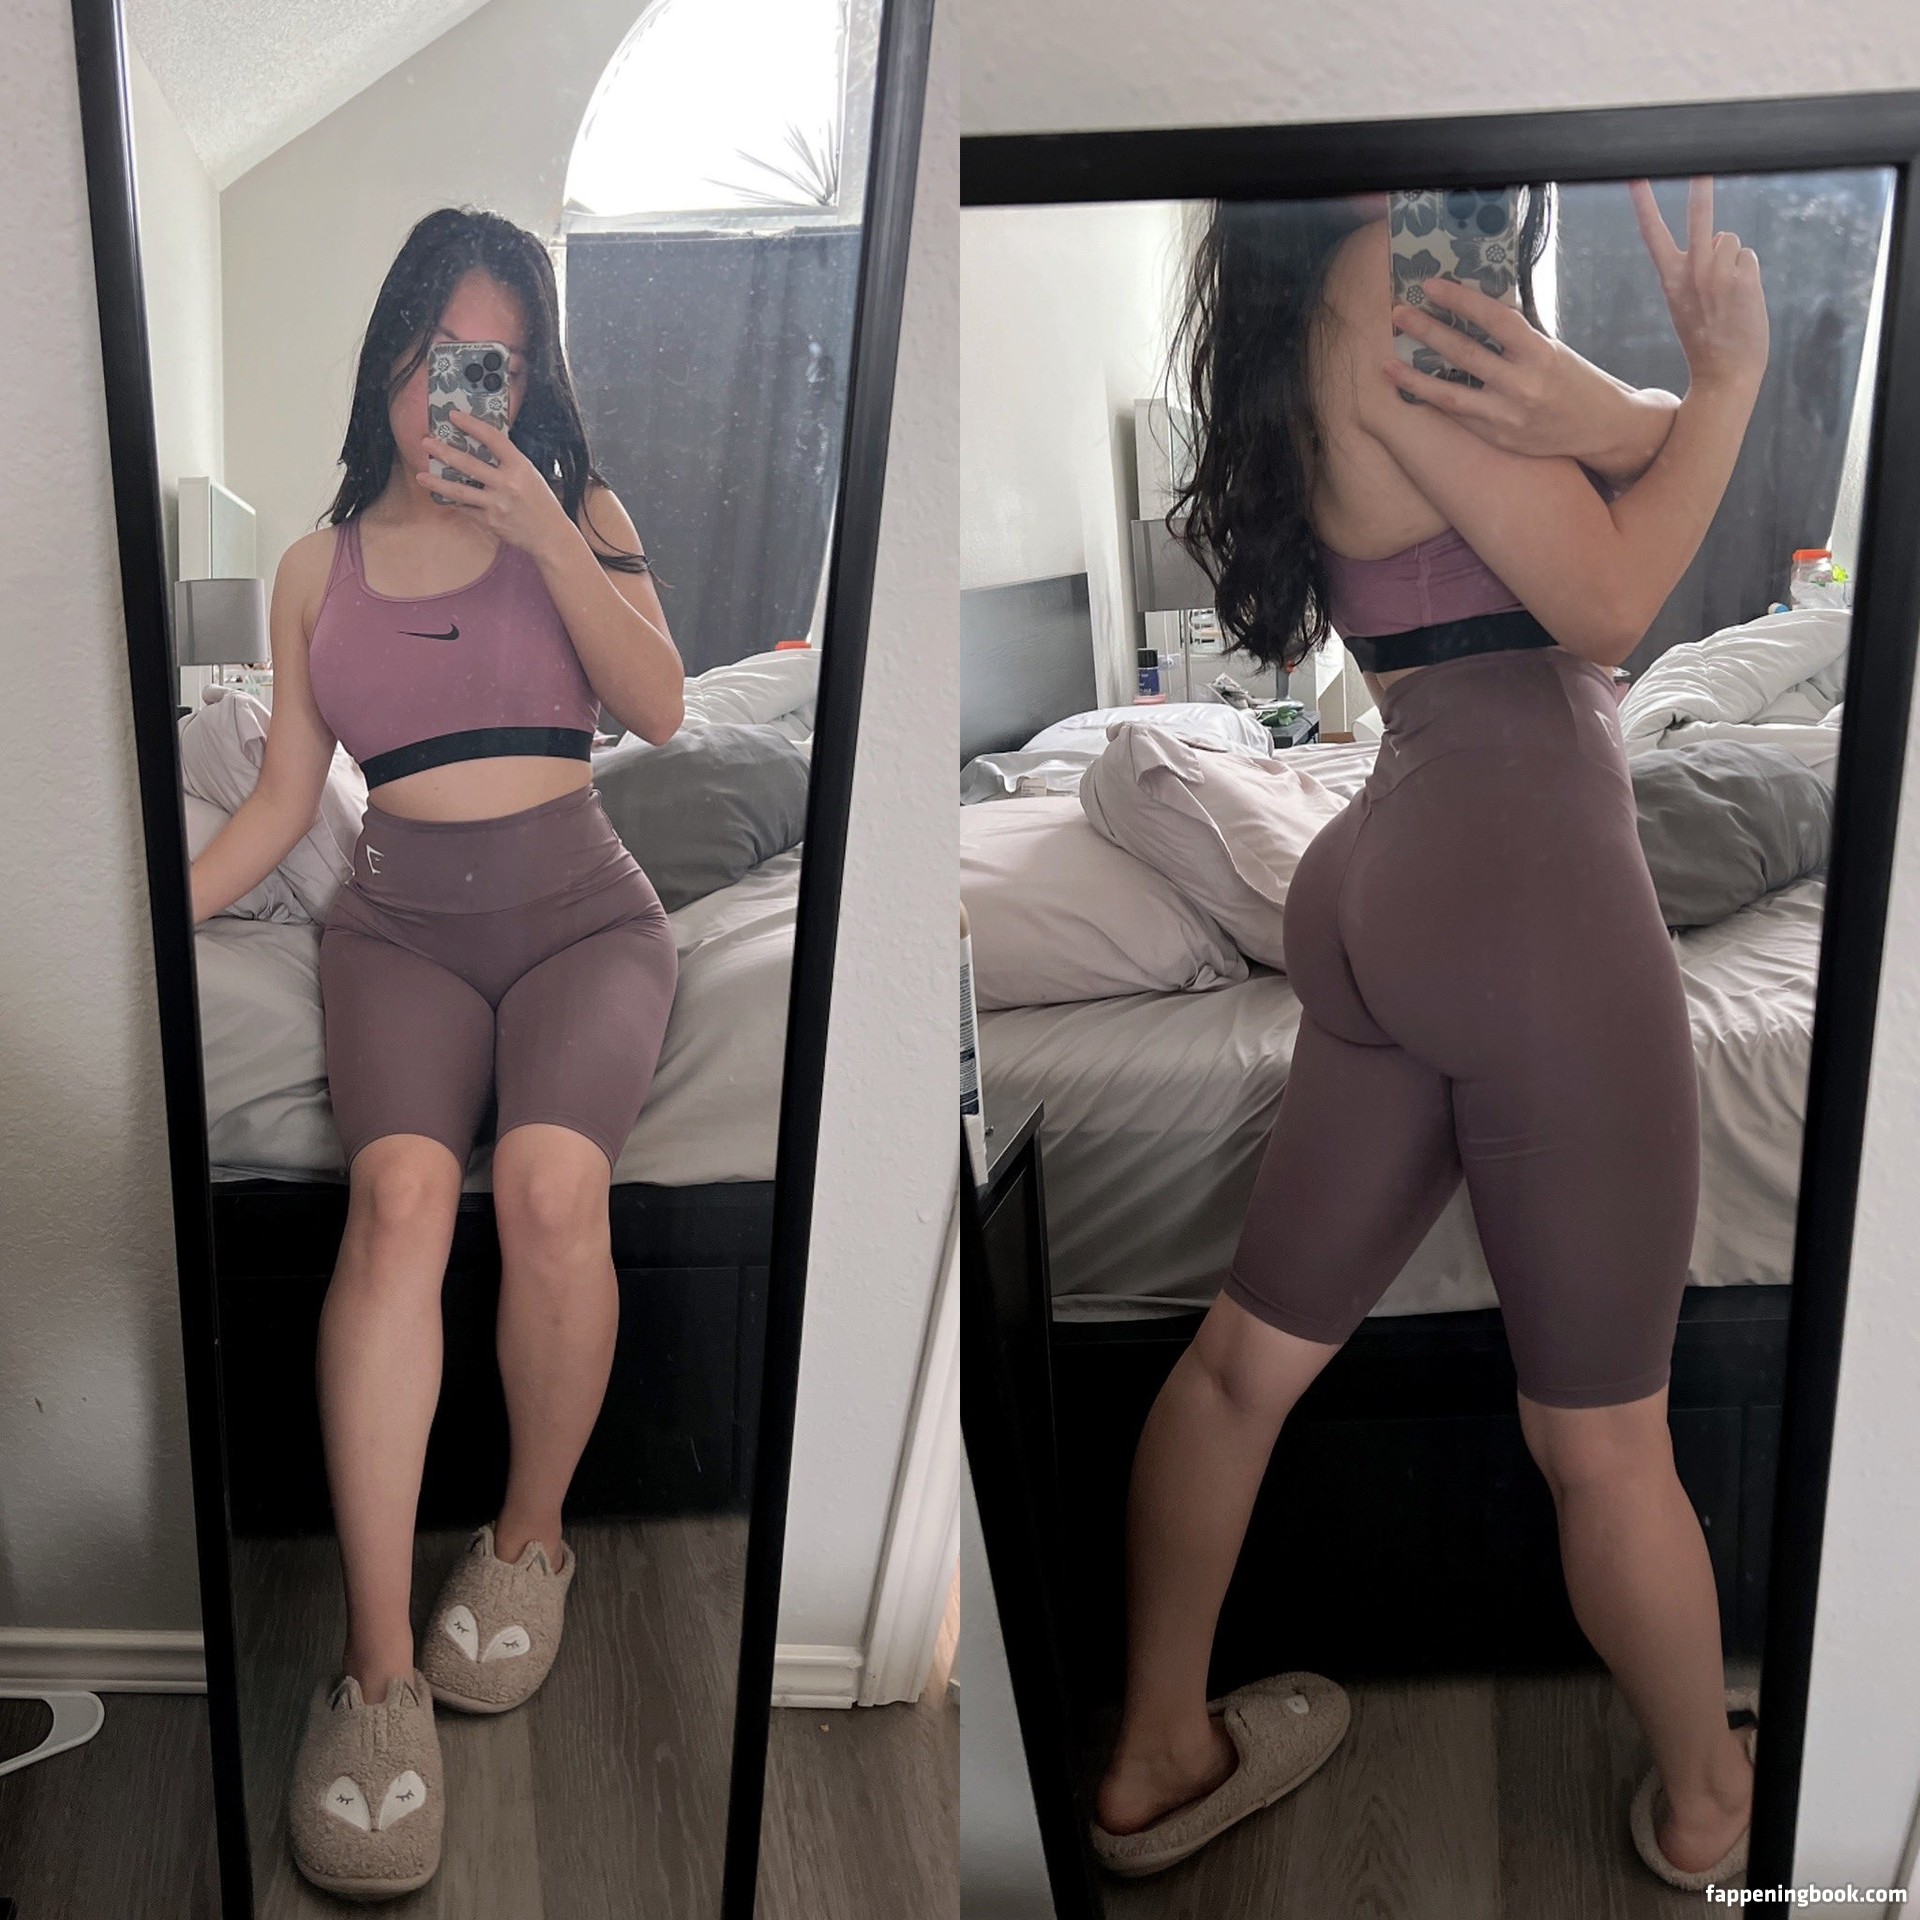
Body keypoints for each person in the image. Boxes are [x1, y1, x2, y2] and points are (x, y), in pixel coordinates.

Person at [1089, 179, 1769, 1892]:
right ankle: (1710, 1806)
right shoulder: (1408, 272)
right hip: (1527, 890)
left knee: (1240, 1369)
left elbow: (1591, 460)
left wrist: (1642, 408)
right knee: (1603, 1442)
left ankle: (1155, 1751)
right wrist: (1729, 387)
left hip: (1386, 869)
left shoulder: (1322, 294)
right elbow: (1611, 601)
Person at [188, 207, 685, 1901]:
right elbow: (283, 798)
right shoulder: (312, 569)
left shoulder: (584, 514)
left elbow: (661, 708)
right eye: (427, 354)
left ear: (529, 380)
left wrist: (547, 527)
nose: (451, 394)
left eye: (493, 363)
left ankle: (531, 1538)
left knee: (547, 1188)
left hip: (585, 921)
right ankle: (378, 1665)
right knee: (397, 1203)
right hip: (397, 930)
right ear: (387, 361)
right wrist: (150, 922)